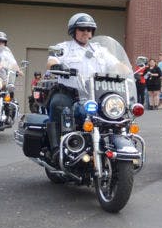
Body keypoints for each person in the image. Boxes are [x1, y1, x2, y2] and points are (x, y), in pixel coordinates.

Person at [45, 13, 121, 153]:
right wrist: (56, 65)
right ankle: (56, 148)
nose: (86, 32)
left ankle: (118, 145)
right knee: (57, 104)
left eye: (89, 29)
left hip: (97, 94)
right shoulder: (64, 48)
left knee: (118, 112)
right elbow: (52, 61)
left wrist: (126, 71)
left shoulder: (100, 50)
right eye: (82, 29)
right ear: (73, 31)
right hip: (70, 93)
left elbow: (116, 64)